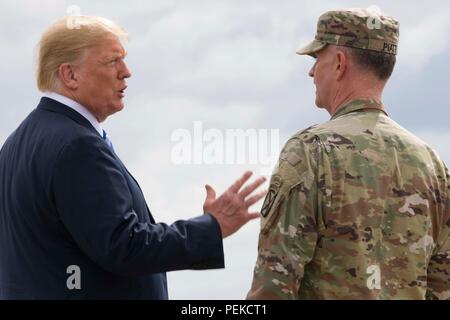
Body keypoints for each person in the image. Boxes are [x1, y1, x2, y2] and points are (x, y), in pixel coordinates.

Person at [0, 16, 266, 299]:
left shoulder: (15, 146)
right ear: (70, 75)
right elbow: (124, 246)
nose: (126, 72)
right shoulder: (77, 145)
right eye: (112, 61)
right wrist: (211, 228)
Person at [247, 8, 450, 299]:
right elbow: (442, 289)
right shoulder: (432, 165)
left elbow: (272, 288)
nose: (312, 71)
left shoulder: (310, 151)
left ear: (340, 63)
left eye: (317, 57)